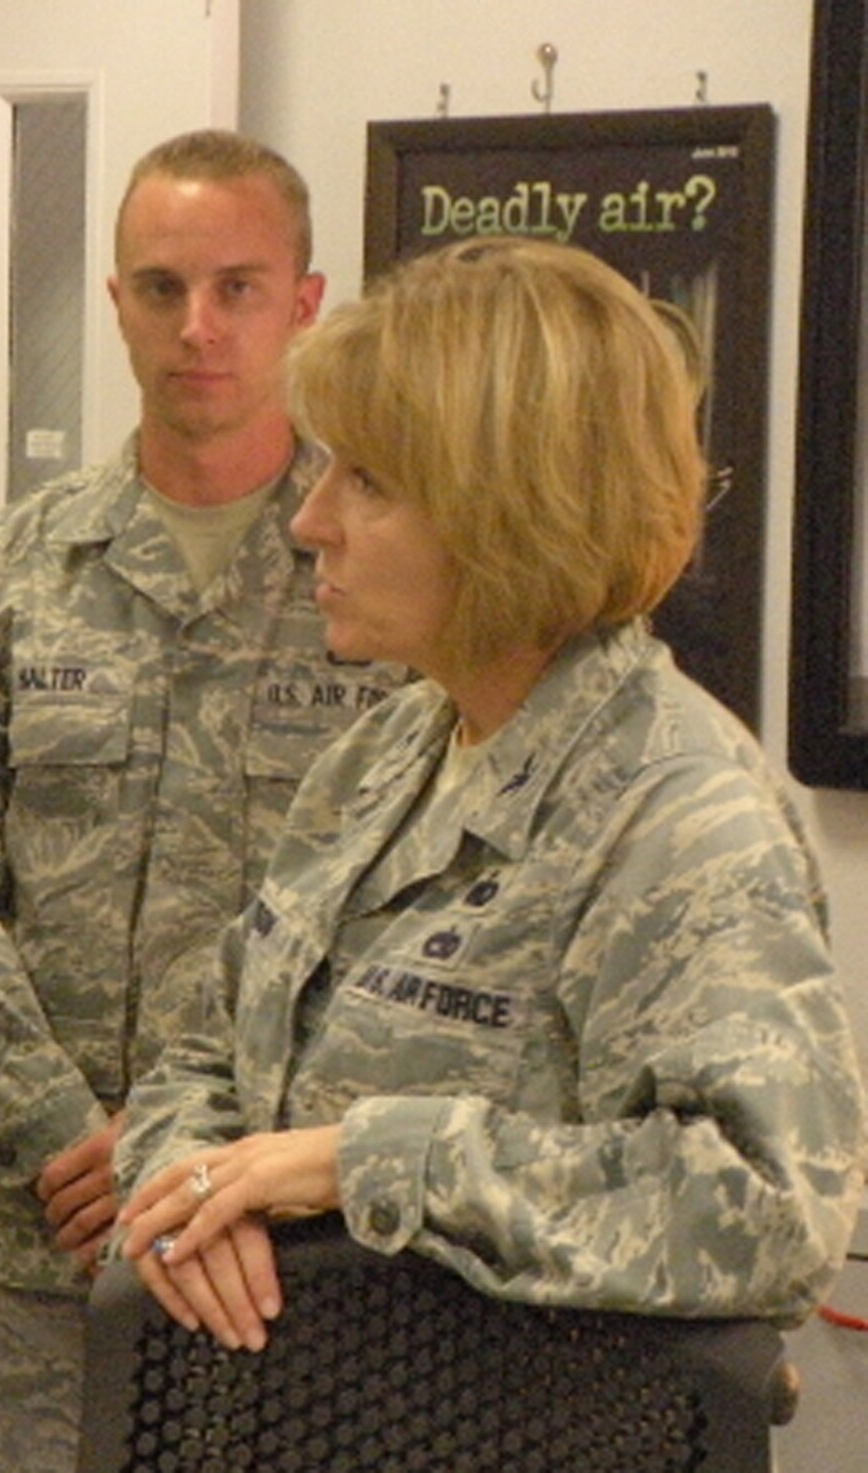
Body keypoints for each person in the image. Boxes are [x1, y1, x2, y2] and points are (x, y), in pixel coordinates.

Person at [115, 237, 866, 1352]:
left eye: (365, 481)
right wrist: (188, 1184)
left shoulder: (672, 815)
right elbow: (205, 1045)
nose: (306, 521)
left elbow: (765, 1210)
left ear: (507, 516)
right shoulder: (383, 757)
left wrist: (370, 1159)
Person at [0, 131, 405, 1472]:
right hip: (33, 1235)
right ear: (114, 302)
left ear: (305, 302)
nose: (199, 327)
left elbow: (419, 921)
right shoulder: (15, 573)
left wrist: (218, 1160)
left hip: (285, 1254)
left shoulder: (385, 576)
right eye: (161, 288)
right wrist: (65, 1135)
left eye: (239, 287)